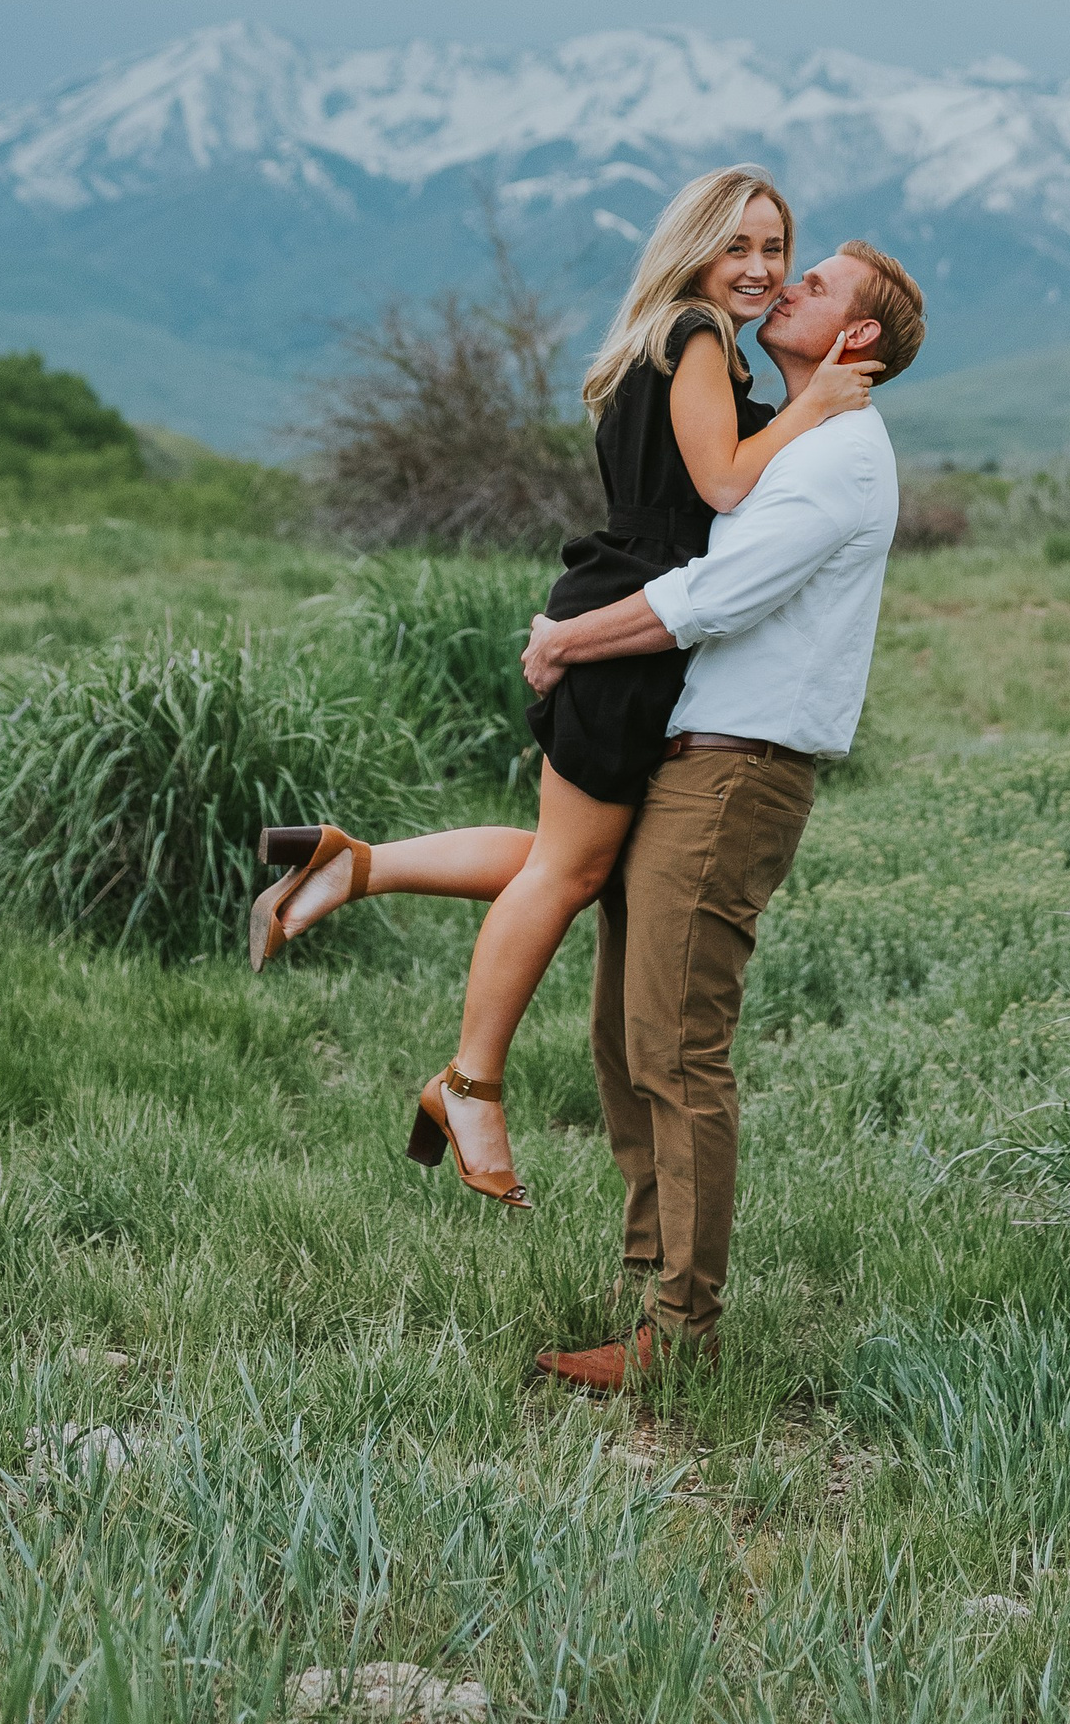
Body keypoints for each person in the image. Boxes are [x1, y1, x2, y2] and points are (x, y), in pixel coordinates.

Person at [245, 167, 881, 1207]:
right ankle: (469, 1083)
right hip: (631, 625)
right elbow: (725, 481)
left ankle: (350, 865)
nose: (762, 267)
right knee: (569, 870)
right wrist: (814, 403)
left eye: (775, 246)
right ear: (694, 248)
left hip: (627, 611)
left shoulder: (681, 339)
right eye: (738, 245)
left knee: (572, 855)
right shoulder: (696, 335)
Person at [521, 235, 925, 1389]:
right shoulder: (791, 436)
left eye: (814, 283)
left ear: (856, 336)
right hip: (685, 757)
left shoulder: (840, 456)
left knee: (677, 1048)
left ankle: (680, 1333)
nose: (785, 282)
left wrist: (568, 639)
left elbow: (715, 595)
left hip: (737, 772)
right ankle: (644, 1279)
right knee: (623, 1035)